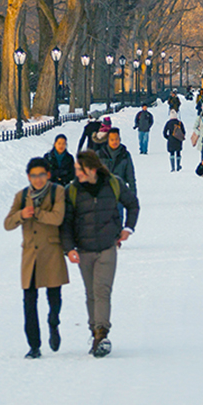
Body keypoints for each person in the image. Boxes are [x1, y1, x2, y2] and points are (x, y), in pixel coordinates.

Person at [62, 151, 140, 357]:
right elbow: (66, 223)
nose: (77, 173)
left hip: (107, 247)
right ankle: (94, 329)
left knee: (102, 290)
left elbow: (132, 204)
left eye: (81, 169)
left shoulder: (113, 184)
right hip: (84, 250)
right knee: (91, 293)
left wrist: (128, 228)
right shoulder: (72, 191)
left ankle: (101, 334)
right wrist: (69, 248)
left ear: (92, 169)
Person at [4, 157, 69, 358]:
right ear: (28, 177)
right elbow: (7, 223)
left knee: (54, 297)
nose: (38, 179)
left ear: (48, 175)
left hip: (51, 252)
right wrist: (22, 214)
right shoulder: (22, 196)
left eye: (41, 175)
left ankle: (53, 323)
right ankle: (34, 345)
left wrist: (38, 213)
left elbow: (58, 217)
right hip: (30, 255)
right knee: (29, 301)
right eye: (34, 176)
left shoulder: (57, 192)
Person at [98, 128, 137, 194]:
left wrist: (133, 196)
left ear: (120, 139)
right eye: (112, 140)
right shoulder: (100, 154)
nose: (114, 142)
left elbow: (131, 177)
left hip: (119, 192)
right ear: (108, 140)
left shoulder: (125, 155)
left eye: (116, 139)